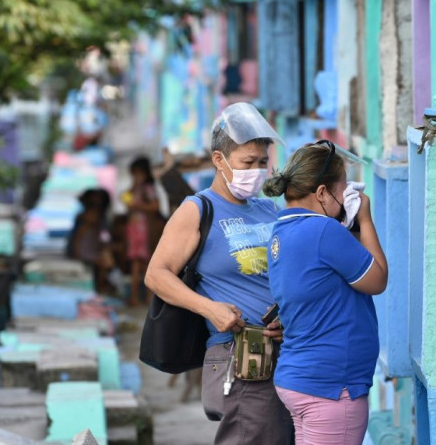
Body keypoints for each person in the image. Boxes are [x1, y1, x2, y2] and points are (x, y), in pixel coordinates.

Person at [144, 102, 293, 445]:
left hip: (286, 354)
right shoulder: (198, 209)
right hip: (240, 357)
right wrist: (209, 308)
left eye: (261, 163)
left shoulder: (268, 209)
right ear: (218, 161)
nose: (256, 172)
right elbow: (156, 274)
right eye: (246, 163)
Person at [262, 140, 388, 445]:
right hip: (330, 387)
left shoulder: (281, 232)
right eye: (342, 188)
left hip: (301, 378)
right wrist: (365, 219)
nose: (346, 198)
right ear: (321, 192)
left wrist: (347, 227)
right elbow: (377, 280)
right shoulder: (323, 231)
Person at [123, 156, 161, 306]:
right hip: (135, 229)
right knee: (136, 262)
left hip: (145, 229)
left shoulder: (148, 189)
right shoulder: (135, 189)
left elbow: (155, 206)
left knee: (145, 262)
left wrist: (138, 206)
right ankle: (135, 296)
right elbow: (125, 199)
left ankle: (148, 297)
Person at [67, 188, 114, 294]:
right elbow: (77, 241)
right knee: (105, 261)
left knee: (105, 260)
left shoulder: (97, 220)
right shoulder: (85, 220)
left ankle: (101, 285)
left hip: (89, 251)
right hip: (84, 252)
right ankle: (101, 286)